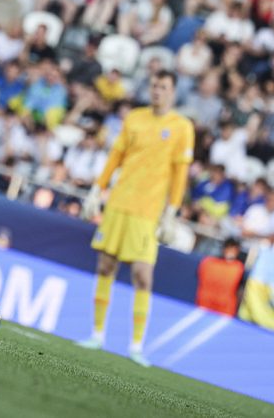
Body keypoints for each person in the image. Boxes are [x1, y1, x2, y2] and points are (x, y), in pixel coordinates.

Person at [77, 70, 194, 366]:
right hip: (119, 202)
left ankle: (137, 345)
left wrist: (172, 211)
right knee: (105, 266)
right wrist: (96, 189)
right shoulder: (135, 118)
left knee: (143, 275)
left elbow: (180, 172)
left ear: (173, 92)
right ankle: (97, 334)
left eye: (163, 87)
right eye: (154, 85)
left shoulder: (181, 127)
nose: (157, 91)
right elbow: (116, 157)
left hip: (148, 211)